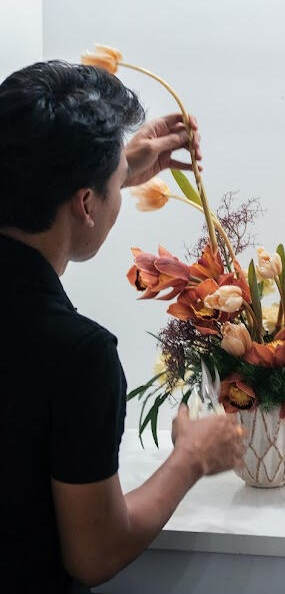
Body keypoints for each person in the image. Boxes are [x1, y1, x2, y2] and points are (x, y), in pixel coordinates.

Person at [0, 60, 246, 593]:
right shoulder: (76, 353)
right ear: (85, 203)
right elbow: (95, 553)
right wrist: (191, 457)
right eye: (116, 184)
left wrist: (116, 167)